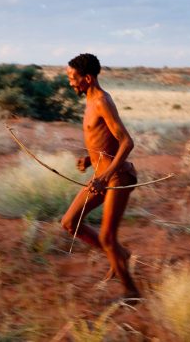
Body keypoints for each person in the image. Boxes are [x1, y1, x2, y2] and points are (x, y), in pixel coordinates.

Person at [61, 53, 140, 300]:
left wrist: (105, 176)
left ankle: (132, 292)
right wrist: (89, 160)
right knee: (69, 223)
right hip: (102, 175)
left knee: (107, 236)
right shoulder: (89, 99)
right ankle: (119, 255)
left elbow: (127, 142)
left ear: (87, 78)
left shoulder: (102, 101)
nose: (70, 83)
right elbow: (104, 140)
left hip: (117, 178)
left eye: (73, 79)